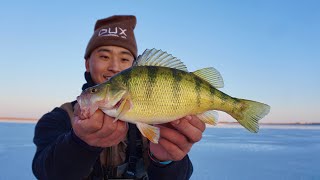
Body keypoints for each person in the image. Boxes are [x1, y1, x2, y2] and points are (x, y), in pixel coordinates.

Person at [32, 15, 206, 180]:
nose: (115, 67)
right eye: (104, 56)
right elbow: (45, 171)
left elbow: (181, 175)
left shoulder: (159, 119)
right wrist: (79, 143)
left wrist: (167, 161)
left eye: (124, 59)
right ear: (87, 63)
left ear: (134, 66)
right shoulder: (59, 119)